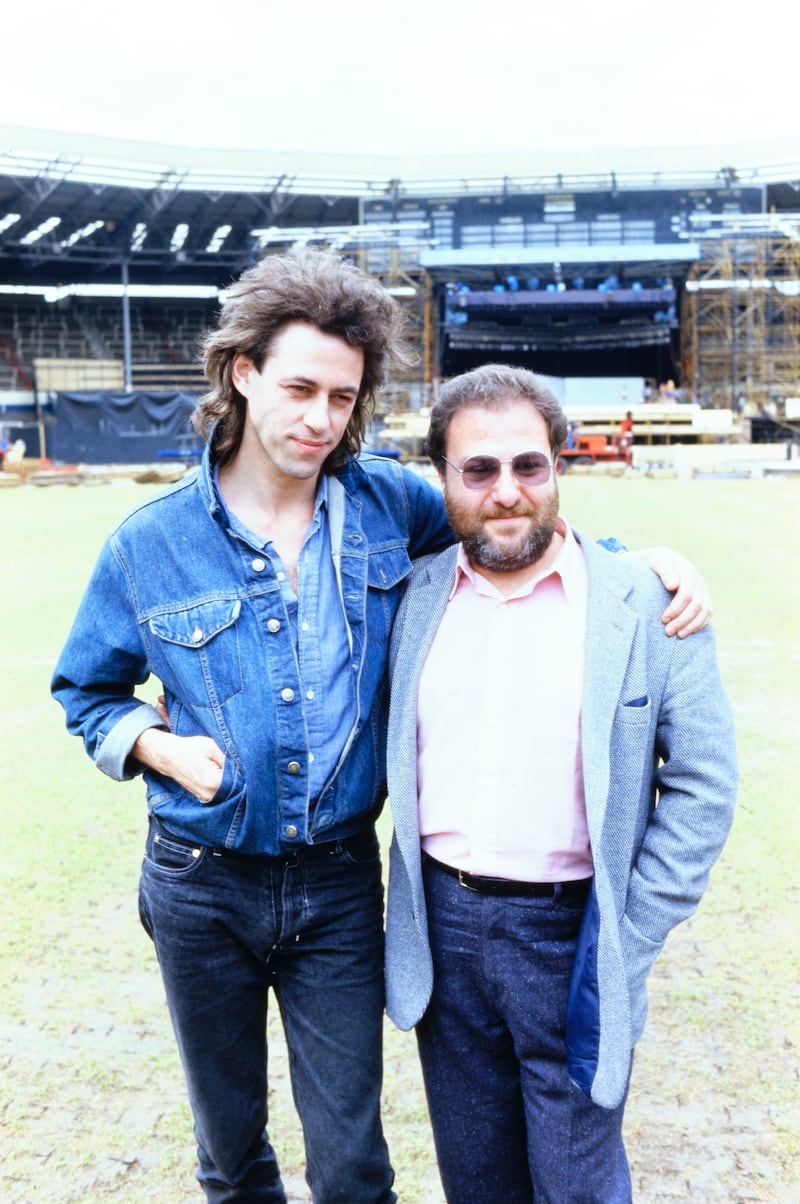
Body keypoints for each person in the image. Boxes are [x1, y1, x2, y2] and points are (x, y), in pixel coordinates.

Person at [52, 250, 711, 1204]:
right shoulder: (150, 544)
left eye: (343, 396)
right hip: (200, 881)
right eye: (300, 389)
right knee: (229, 1154)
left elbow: (508, 521)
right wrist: (156, 747)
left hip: (339, 884)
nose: (321, 419)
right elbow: (86, 689)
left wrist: (636, 563)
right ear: (244, 373)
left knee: (353, 1164)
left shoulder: (387, 504)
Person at [384, 364, 737, 1204]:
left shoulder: (649, 604)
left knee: (577, 1186)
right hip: (443, 934)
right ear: (443, 478)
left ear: (559, 466)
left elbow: (704, 786)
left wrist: (630, 933)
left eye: (528, 465)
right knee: (477, 1183)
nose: (507, 490)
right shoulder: (410, 597)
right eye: (479, 469)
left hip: (576, 932)